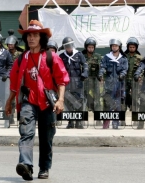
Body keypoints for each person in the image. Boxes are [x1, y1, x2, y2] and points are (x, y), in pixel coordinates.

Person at [5, 20, 69, 180]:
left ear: (42, 38)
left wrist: (60, 100)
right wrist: (9, 101)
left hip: (48, 102)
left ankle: (44, 168)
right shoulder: (21, 59)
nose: (31, 39)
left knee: (46, 137)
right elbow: (14, 84)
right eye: (29, 36)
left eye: (34, 35)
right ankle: (26, 165)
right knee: (26, 133)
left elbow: (61, 80)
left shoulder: (51, 57)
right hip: (28, 101)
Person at [98, 39, 128, 129]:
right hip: (109, 84)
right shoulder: (106, 57)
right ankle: (106, 123)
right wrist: (101, 73)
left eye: (116, 46)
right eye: (113, 46)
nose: (114, 47)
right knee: (107, 103)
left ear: (119, 47)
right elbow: (103, 66)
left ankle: (115, 123)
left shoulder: (123, 58)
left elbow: (125, 69)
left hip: (119, 84)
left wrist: (122, 75)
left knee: (117, 104)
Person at [59, 37, 88, 129]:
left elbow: (85, 65)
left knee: (79, 101)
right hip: (67, 82)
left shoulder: (78, 54)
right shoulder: (62, 56)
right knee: (68, 102)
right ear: (64, 47)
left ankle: (79, 122)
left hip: (78, 81)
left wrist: (84, 73)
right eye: (67, 46)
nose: (69, 47)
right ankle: (70, 122)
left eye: (70, 45)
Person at [5, 34, 23, 124]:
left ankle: (19, 117)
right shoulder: (5, 53)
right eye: (8, 44)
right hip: (7, 78)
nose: (10, 46)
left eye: (12, 44)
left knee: (18, 98)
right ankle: (10, 117)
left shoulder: (20, 54)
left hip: (17, 78)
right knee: (9, 97)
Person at [82, 37, 102, 112]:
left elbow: (101, 67)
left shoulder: (97, 56)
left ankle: (98, 118)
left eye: (92, 47)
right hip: (84, 80)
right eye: (89, 47)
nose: (90, 49)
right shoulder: (82, 56)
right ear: (86, 47)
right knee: (84, 96)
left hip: (95, 80)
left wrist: (100, 75)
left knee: (97, 97)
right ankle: (84, 114)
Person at [124, 37, 142, 111]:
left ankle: (134, 117)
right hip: (125, 80)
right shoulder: (124, 57)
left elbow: (142, 69)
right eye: (130, 47)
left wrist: (140, 77)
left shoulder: (140, 57)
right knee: (124, 96)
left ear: (136, 47)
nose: (131, 48)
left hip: (135, 80)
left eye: (133, 47)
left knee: (135, 97)